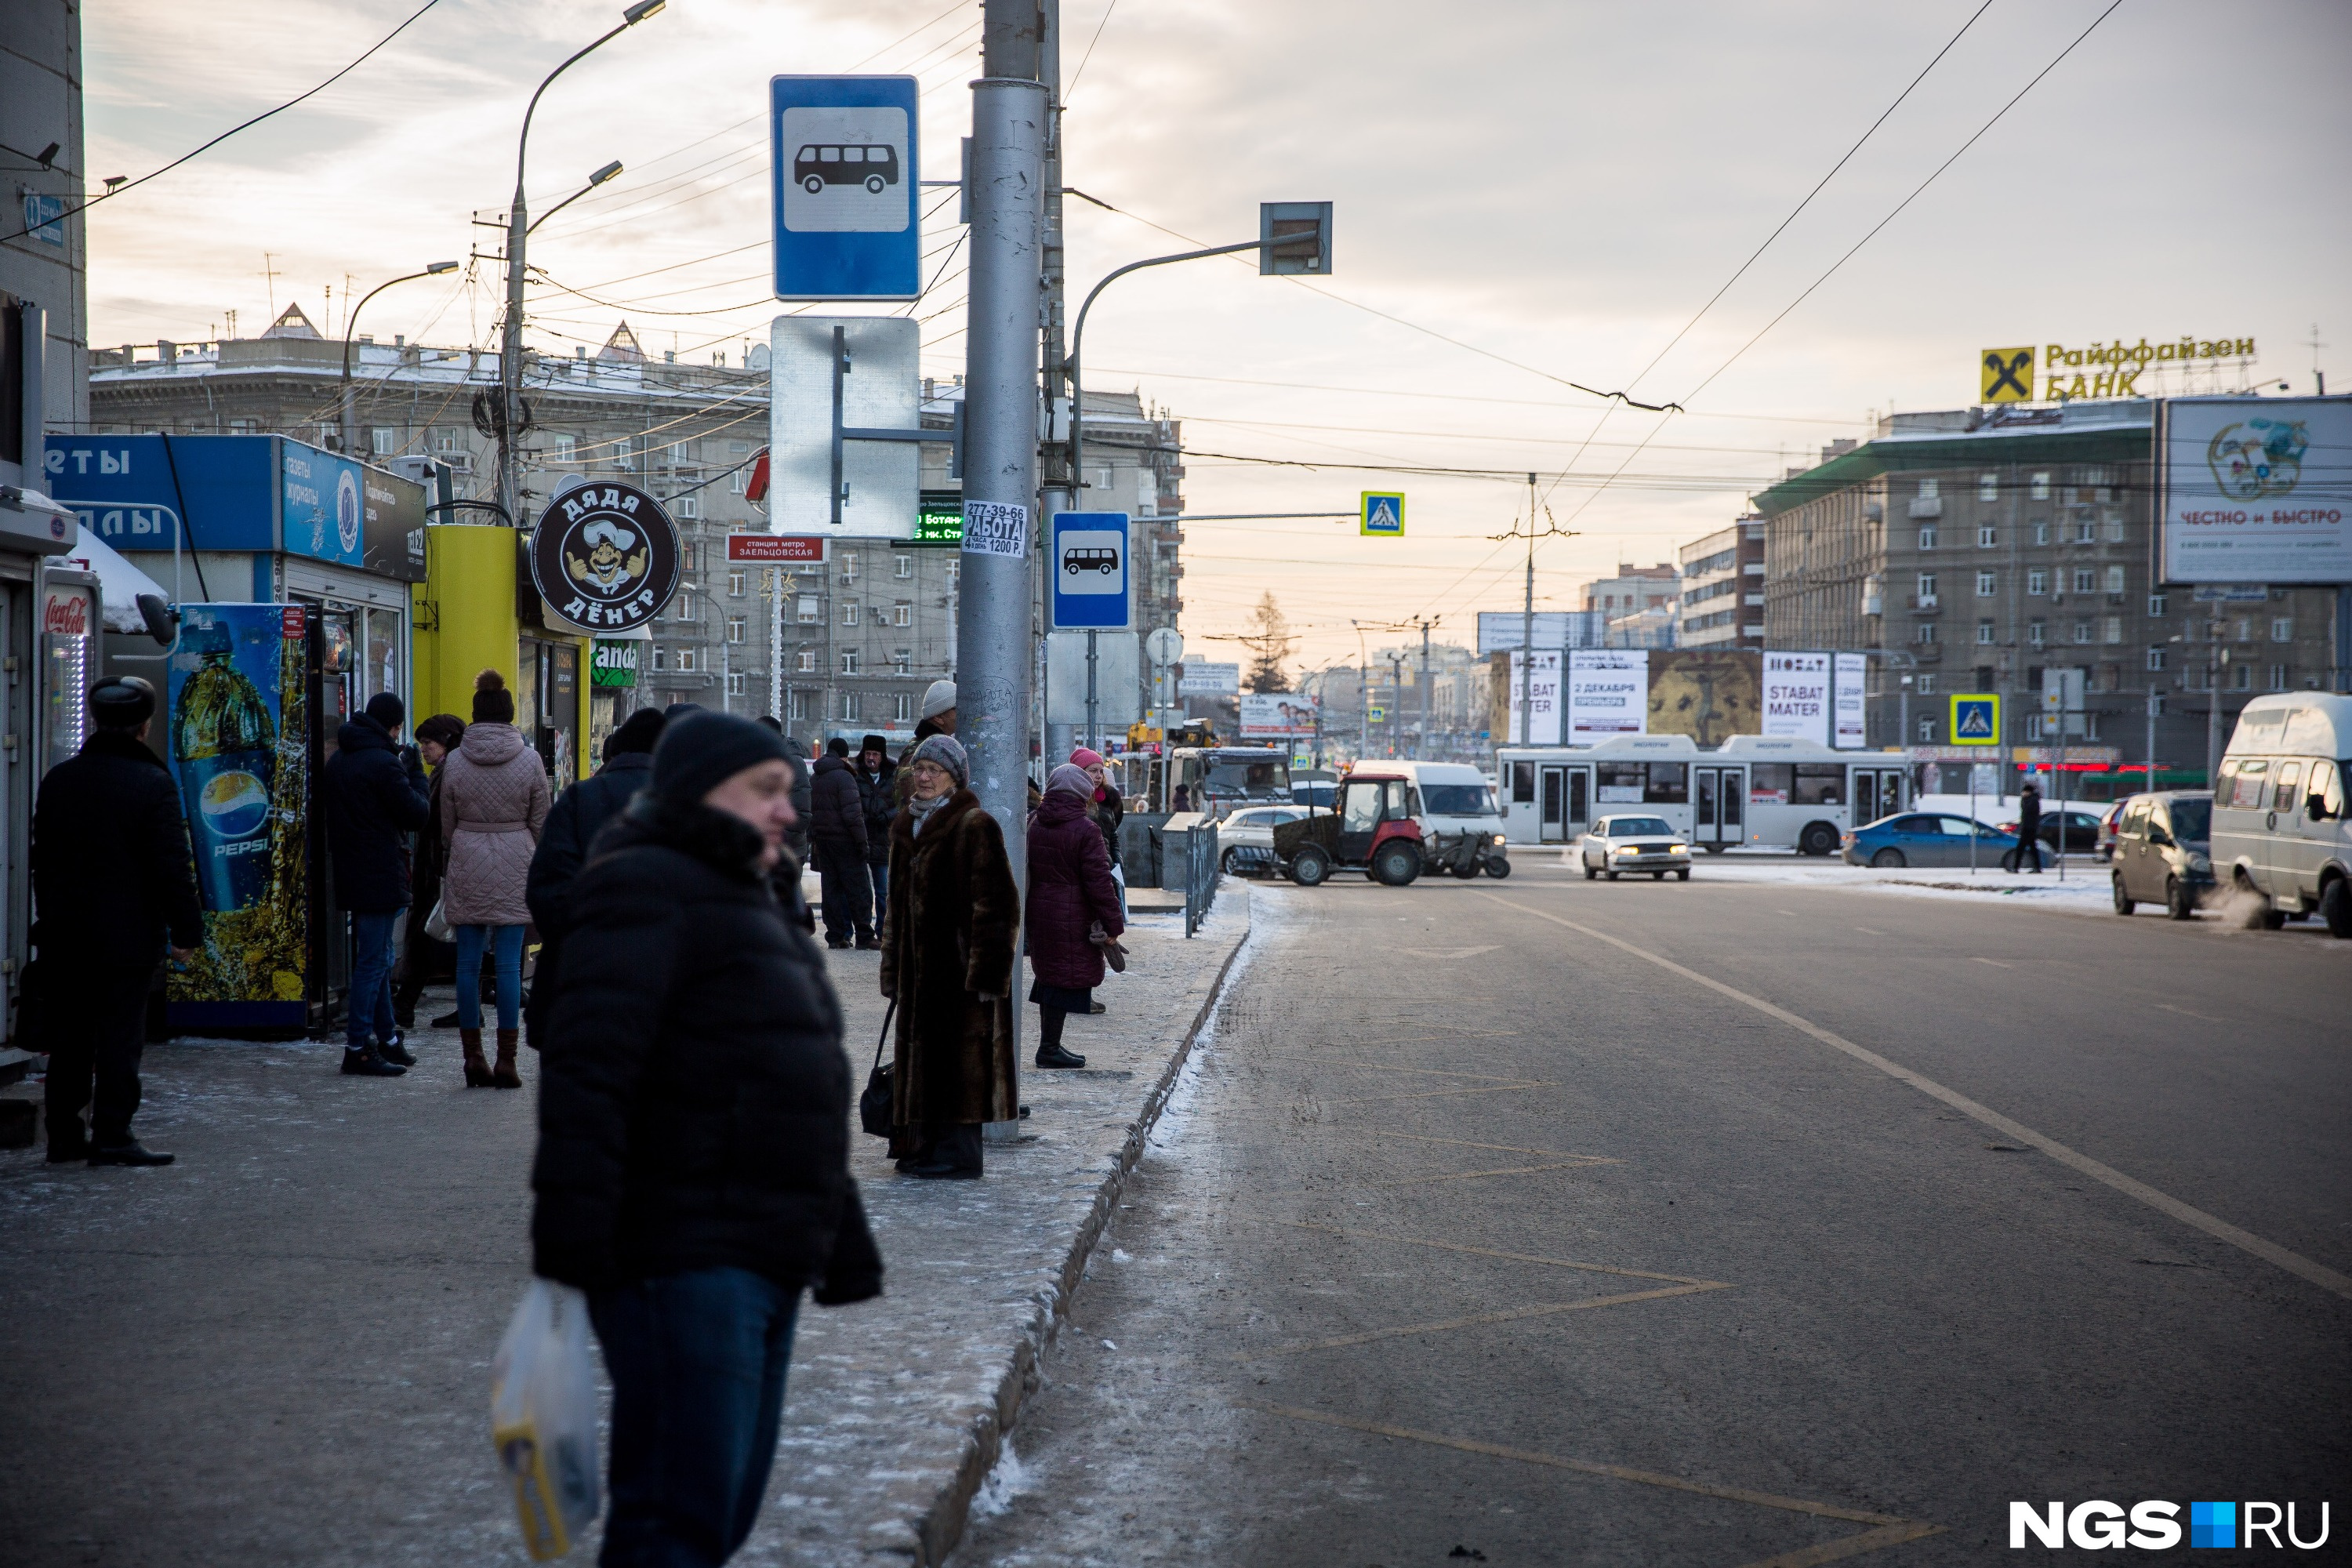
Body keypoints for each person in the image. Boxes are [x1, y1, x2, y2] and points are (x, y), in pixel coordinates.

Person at [532, 710, 881, 1567]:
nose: (787, 810)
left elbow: (787, 1076)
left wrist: (838, 1236)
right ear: (698, 790)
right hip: (681, 1252)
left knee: (718, 1510)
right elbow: (591, 1072)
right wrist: (573, 1242)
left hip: (761, 1247)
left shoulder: (749, 891)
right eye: (765, 790)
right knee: (674, 1518)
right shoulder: (645, 882)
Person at [32, 676, 202, 1165]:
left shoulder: (60, 779)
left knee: (69, 1038)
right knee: (119, 1039)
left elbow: (43, 859)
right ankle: (113, 1134)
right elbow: (172, 865)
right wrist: (186, 931)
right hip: (127, 938)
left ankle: (64, 1134)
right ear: (144, 728)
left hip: (65, 934)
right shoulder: (152, 784)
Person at [878, 733, 1019, 1178]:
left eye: (934, 771)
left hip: (960, 972)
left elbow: (998, 908)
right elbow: (894, 909)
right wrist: (891, 967)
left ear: (953, 779)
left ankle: (959, 1155)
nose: (923, 777)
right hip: (915, 970)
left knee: (960, 1061)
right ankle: (922, 1145)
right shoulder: (906, 826)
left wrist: (986, 976)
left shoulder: (975, 825)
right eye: (919, 769)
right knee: (922, 1057)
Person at [524, 706, 665, 1048]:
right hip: (661, 991)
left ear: (615, 751)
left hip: (577, 987)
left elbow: (545, 891)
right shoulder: (689, 804)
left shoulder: (579, 798)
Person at [439, 670, 550, 1088]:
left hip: (468, 854)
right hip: (516, 858)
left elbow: (446, 823)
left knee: (466, 964)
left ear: (474, 713)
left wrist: (464, 842)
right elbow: (541, 820)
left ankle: (472, 1059)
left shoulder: (454, 760)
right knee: (507, 966)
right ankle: (507, 1061)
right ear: (509, 714)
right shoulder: (529, 759)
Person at [325, 691, 431, 1077]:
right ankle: (357, 1048)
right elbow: (417, 813)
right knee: (373, 963)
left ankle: (387, 1040)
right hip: (380, 871)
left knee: (382, 959)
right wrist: (416, 772)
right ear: (393, 726)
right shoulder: (384, 764)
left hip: (353, 871)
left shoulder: (340, 760)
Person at [1025, 764, 1125, 1071]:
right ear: (1082, 794)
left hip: (1039, 910)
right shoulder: (1086, 830)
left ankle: (1050, 1046)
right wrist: (1114, 924)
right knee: (1061, 979)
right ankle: (1049, 1049)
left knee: (1049, 976)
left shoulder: (1033, 822)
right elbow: (1099, 882)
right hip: (1073, 912)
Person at [394, 713, 466, 1029]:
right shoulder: (448, 768)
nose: (423, 749)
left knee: (423, 935)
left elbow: (433, 817)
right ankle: (409, 1004)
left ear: (447, 741)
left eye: (428, 743)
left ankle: (406, 1004)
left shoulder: (449, 771)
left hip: (439, 868)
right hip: (438, 866)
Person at [809, 736, 876, 950]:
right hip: (846, 842)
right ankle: (865, 935)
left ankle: (836, 937)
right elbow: (853, 815)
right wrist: (862, 842)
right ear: (844, 756)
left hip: (823, 842)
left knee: (831, 890)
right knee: (859, 889)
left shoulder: (816, 778)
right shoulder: (844, 777)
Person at [894, 680, 956, 809]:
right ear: (939, 718)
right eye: (957, 709)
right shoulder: (919, 754)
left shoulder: (937, 749)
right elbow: (915, 806)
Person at [856, 733, 897, 910]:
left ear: (882, 756)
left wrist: (887, 816)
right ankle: (864, 934)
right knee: (860, 892)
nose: (871, 758)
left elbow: (903, 803)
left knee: (882, 892)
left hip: (883, 841)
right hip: (861, 841)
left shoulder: (893, 776)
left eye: (875, 754)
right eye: (868, 754)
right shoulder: (856, 775)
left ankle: (881, 932)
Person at [2017, 780, 2044, 873]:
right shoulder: (2031, 800)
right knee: (2032, 849)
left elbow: (2026, 810)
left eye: (2024, 792)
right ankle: (2037, 867)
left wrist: (2023, 800)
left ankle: (2016, 867)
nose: (2023, 794)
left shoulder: (2033, 801)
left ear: (2029, 792)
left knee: (2021, 848)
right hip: (2029, 827)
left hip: (2029, 828)